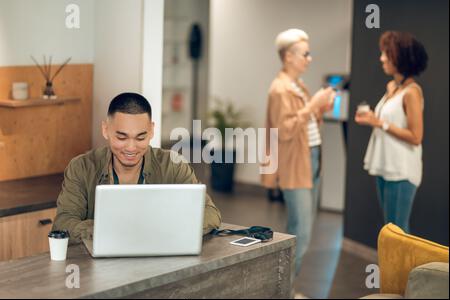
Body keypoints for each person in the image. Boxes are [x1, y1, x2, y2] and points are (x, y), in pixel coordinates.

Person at [53, 92, 222, 244]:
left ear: (151, 131)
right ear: (105, 130)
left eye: (141, 138)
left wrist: (159, 228)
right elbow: (63, 223)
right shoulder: (81, 167)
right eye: (121, 137)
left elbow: (210, 213)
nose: (131, 148)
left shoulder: (173, 165)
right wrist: (113, 229)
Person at [262, 29, 335, 275]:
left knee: (302, 229)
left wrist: (320, 108)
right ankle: (285, 291)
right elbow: (284, 130)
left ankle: (286, 289)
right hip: (296, 165)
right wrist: (313, 105)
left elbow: (304, 124)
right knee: (300, 231)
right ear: (288, 57)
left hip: (310, 159)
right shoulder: (280, 89)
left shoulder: (298, 85)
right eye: (306, 54)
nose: (309, 58)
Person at [355, 31, 428, 233]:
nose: (382, 58)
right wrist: (372, 119)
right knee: (390, 228)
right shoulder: (392, 87)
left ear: (401, 57)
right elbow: (388, 120)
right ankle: (390, 266)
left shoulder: (412, 92)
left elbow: (416, 136)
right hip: (386, 165)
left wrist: (380, 123)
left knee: (398, 232)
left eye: (387, 53)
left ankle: (399, 267)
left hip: (401, 170)